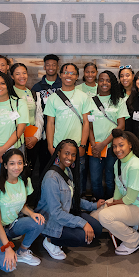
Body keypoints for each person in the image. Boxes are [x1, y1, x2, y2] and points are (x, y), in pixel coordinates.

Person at [36, 140, 105, 260]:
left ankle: (65, 235)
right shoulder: (51, 178)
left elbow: (72, 198)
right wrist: (82, 223)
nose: (70, 158)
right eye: (66, 153)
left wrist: (94, 206)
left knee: (97, 229)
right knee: (82, 237)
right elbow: (56, 213)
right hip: (52, 221)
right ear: (58, 153)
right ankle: (49, 240)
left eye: (73, 155)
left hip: (66, 213)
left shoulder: (67, 170)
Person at [91, 129, 139, 255]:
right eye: (114, 146)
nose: (117, 149)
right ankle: (124, 227)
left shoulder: (135, 165)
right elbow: (118, 188)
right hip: (127, 204)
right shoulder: (118, 163)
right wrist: (113, 202)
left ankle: (134, 240)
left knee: (105, 216)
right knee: (94, 217)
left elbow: (130, 198)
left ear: (130, 145)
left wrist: (113, 206)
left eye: (121, 145)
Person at [0, 149, 45, 272]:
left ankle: (22, 252)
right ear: (5, 165)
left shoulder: (25, 182)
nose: (16, 167)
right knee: (9, 267)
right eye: (12, 163)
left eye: (20, 163)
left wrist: (32, 213)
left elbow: (21, 205)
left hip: (12, 226)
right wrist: (7, 247)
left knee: (39, 221)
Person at [43, 62, 91, 194]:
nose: (68, 76)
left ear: (77, 77)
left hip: (77, 148)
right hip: (58, 148)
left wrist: (82, 145)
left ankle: (77, 207)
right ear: (61, 75)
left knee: (78, 179)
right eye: (65, 72)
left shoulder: (83, 97)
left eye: (72, 73)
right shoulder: (53, 98)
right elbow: (50, 123)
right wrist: (50, 145)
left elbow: (86, 122)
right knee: (58, 179)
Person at [88, 70, 128, 200]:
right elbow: (88, 125)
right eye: (101, 80)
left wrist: (103, 144)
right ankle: (98, 206)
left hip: (112, 147)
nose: (104, 83)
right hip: (94, 147)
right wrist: (95, 146)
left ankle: (111, 203)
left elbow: (121, 126)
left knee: (111, 179)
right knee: (95, 180)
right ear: (97, 82)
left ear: (112, 83)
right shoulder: (90, 101)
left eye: (108, 80)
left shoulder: (119, 101)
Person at [10, 62, 44, 205]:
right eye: (17, 73)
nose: (22, 76)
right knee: (18, 172)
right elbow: (11, 119)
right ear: (12, 76)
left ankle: (31, 202)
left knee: (32, 173)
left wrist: (35, 137)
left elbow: (38, 116)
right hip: (17, 139)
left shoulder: (31, 92)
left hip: (33, 138)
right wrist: (23, 137)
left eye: (24, 73)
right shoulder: (9, 93)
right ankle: (18, 202)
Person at [32, 54, 62, 178]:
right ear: (44, 66)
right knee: (43, 164)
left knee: (61, 165)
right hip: (43, 132)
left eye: (53, 65)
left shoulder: (63, 85)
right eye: (48, 65)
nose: (51, 67)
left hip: (61, 130)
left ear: (57, 67)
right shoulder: (37, 87)